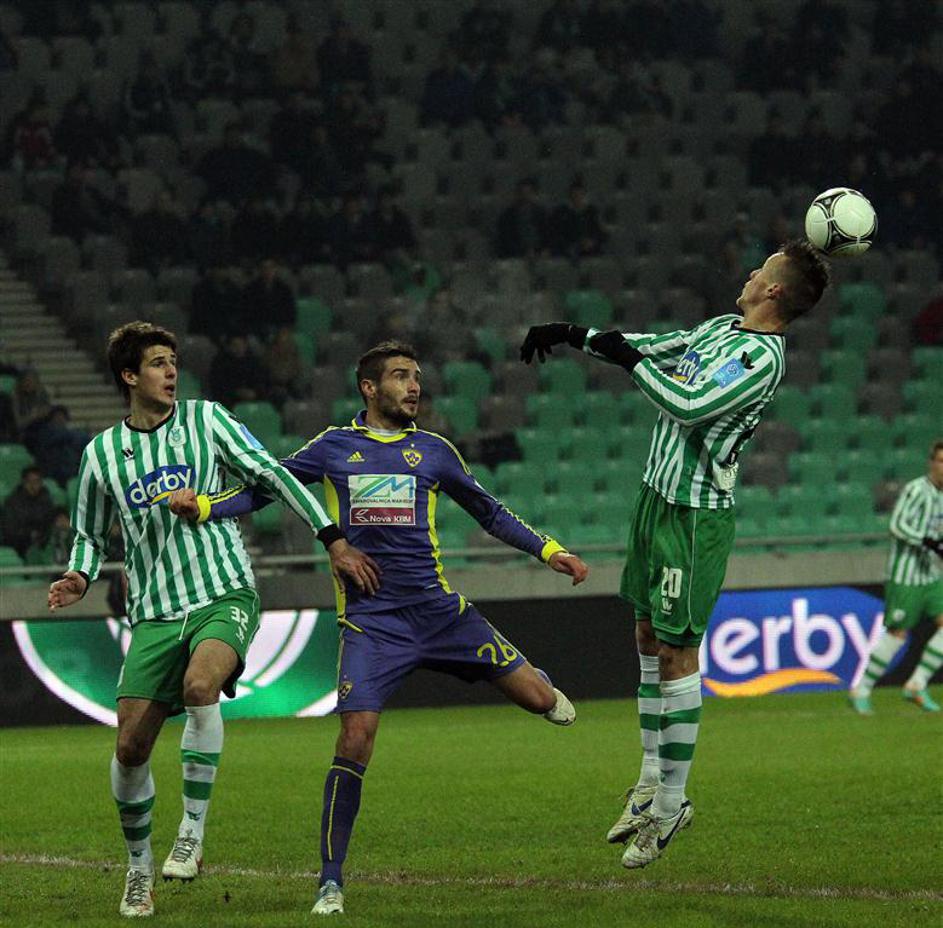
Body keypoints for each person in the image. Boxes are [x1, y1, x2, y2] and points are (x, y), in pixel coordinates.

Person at [169, 340, 589, 916]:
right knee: (354, 741)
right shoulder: (333, 448)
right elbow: (271, 488)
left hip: (442, 615)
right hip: (373, 625)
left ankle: (532, 679)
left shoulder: (434, 452)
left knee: (542, 701)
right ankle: (331, 882)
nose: (413, 386)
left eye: (416, 376)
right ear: (369, 389)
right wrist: (208, 507)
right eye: (399, 377)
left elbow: (488, 510)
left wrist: (549, 551)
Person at [46, 322, 378, 918]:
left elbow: (272, 476)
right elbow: (89, 536)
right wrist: (78, 575)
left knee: (202, 685)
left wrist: (330, 536)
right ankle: (138, 869)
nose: (171, 372)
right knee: (129, 747)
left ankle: (192, 832)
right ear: (129, 376)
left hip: (222, 590)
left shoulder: (208, 421)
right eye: (157, 363)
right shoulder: (100, 455)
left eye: (173, 361)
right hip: (152, 612)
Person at [520, 239, 830, 869]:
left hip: (694, 517)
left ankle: (673, 803)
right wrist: (576, 333)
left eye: (762, 270)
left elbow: (686, 404)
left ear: (775, 291)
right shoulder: (720, 327)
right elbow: (647, 346)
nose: (749, 272)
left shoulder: (760, 356)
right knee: (645, 635)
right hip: (654, 498)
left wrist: (629, 358)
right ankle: (649, 780)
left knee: (678, 650)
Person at [849, 442, 943, 714]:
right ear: (931, 463)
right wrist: (930, 544)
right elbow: (897, 526)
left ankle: (916, 683)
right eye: (940, 461)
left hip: (931, 575)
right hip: (905, 576)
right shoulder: (917, 490)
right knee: (897, 634)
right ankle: (862, 689)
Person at [1, 465, 56, 557]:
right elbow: (10, 529)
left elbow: (50, 522)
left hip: (44, 543)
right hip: (20, 546)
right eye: (30, 482)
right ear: (24, 482)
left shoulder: (46, 499)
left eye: (37, 481)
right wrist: (30, 535)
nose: (34, 485)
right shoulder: (13, 502)